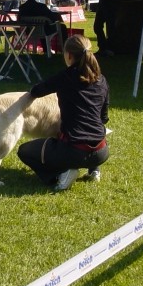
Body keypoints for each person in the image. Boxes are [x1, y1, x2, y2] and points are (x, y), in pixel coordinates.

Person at [17, 34, 110, 191]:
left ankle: (60, 175)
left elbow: (37, 90)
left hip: (73, 151)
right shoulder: (101, 80)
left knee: (24, 151)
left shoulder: (65, 77)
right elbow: (104, 118)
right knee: (91, 135)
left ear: (68, 55)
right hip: (101, 151)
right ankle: (94, 170)